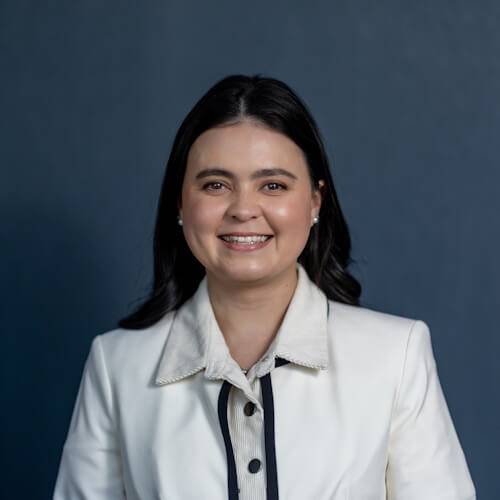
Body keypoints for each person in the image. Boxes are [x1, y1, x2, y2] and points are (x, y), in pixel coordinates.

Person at [53, 74, 476, 499]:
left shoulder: (395, 355)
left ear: (314, 201)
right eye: (215, 185)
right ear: (180, 203)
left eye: (272, 185)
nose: (243, 209)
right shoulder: (117, 365)